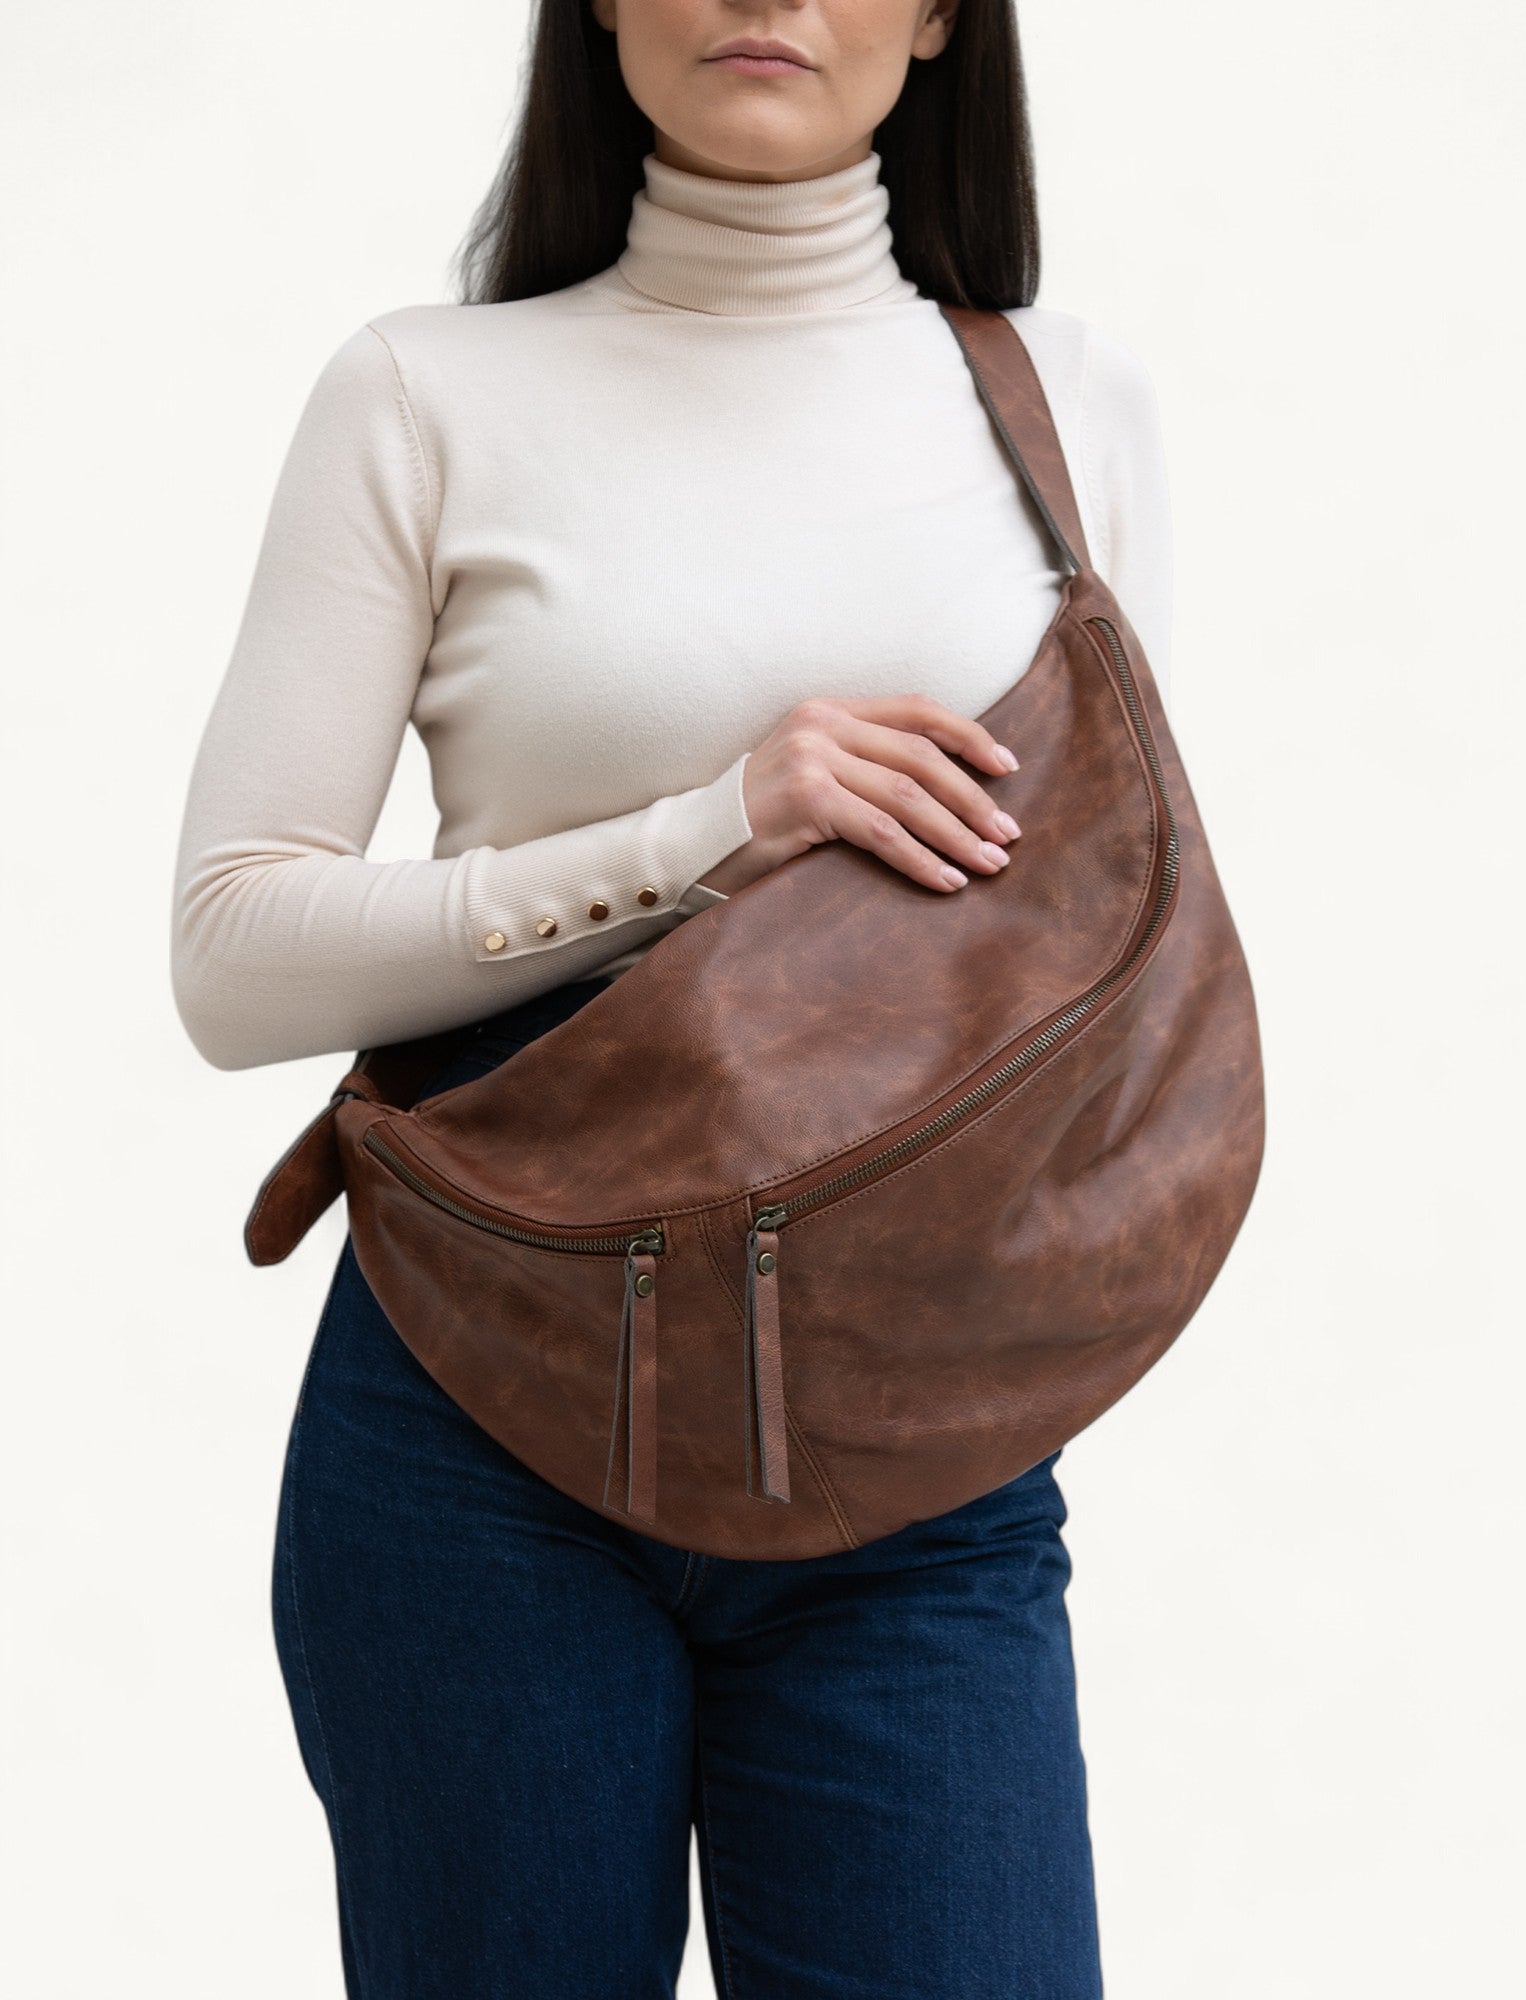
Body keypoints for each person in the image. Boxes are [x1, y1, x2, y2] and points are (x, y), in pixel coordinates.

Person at [171, 3, 1175, 1994]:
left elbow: (1104, 940)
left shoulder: (1061, 407)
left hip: (919, 1451)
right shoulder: (424, 393)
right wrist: (708, 825)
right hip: (477, 1425)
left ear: (935, 16)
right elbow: (229, 950)